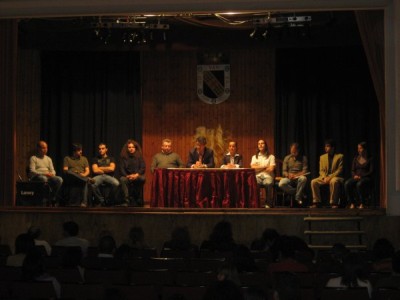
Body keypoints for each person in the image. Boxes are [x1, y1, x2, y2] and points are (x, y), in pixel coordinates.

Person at [310, 139, 344, 208]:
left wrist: (330, 177)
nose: (325, 148)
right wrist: (324, 177)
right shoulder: (322, 157)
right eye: (325, 146)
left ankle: (333, 202)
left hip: (335, 177)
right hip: (324, 177)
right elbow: (321, 170)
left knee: (334, 181)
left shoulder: (339, 156)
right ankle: (317, 202)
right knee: (313, 182)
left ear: (332, 148)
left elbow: (339, 170)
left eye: (328, 146)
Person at [28, 140, 63, 206]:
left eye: (46, 148)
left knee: (59, 179)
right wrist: (44, 174)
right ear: (38, 148)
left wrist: (52, 174)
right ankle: (44, 198)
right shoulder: (33, 158)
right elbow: (32, 171)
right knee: (43, 178)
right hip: (37, 177)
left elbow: (53, 170)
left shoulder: (48, 159)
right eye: (43, 148)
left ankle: (52, 198)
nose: (45, 149)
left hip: (48, 176)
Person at [63, 142, 94, 208]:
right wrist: (75, 173)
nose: (81, 151)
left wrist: (83, 175)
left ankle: (84, 203)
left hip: (82, 176)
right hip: (72, 177)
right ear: (74, 151)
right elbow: (65, 170)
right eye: (79, 150)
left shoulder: (84, 159)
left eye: (81, 150)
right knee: (69, 172)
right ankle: (87, 179)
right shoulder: (67, 158)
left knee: (84, 181)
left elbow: (87, 171)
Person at [345, 142, 373, 209]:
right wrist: (354, 175)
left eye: (360, 148)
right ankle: (352, 203)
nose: (358, 150)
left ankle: (362, 203)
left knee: (359, 184)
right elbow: (352, 170)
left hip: (366, 177)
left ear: (365, 149)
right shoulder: (356, 158)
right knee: (347, 183)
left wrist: (362, 176)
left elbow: (371, 171)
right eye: (358, 148)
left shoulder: (370, 158)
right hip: (356, 177)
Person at [119, 139, 146, 207]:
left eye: (132, 147)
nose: (131, 149)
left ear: (135, 148)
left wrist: (136, 175)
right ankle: (127, 200)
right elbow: (121, 169)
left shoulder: (139, 157)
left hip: (137, 176)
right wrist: (127, 176)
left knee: (142, 179)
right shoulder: (123, 158)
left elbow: (143, 168)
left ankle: (137, 198)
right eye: (129, 147)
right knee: (122, 179)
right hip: (127, 176)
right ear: (127, 148)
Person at [250, 139, 276, 208]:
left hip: (268, 176)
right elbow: (253, 168)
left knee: (268, 183)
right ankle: (256, 202)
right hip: (257, 176)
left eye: (262, 143)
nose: (260, 145)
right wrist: (265, 167)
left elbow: (271, 169)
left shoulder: (271, 157)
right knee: (254, 182)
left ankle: (268, 203)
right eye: (259, 144)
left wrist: (258, 167)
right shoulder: (254, 157)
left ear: (265, 145)